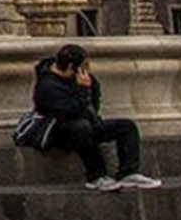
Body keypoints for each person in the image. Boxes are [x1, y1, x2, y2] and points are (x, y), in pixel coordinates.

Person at [31, 43, 162, 191]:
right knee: (82, 128)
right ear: (70, 67)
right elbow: (69, 112)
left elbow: (93, 100)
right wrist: (82, 90)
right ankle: (96, 175)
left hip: (84, 122)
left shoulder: (81, 77)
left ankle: (129, 172)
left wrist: (90, 92)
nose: (87, 70)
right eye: (84, 66)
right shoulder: (47, 86)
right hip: (58, 130)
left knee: (127, 126)